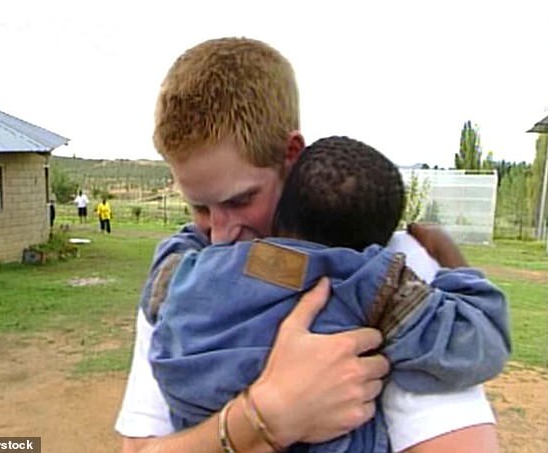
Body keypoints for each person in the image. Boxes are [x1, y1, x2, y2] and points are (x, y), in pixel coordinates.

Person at [116, 37, 500, 452]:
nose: (220, 235)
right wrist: (265, 414)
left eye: (240, 200)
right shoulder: (187, 267)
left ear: (291, 153)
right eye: (200, 209)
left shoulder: (182, 274)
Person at [148, 135, 510, 452]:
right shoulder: (373, 283)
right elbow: (477, 340)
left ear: (282, 210)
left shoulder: (195, 270)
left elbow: (160, 281)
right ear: (378, 245)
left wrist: (195, 232)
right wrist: (449, 257)